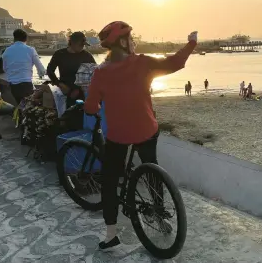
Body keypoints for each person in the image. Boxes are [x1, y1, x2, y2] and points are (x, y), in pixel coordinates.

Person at [84, 21, 198, 250]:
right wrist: (191, 43)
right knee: (151, 167)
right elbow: (174, 63)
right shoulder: (143, 63)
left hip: (118, 135)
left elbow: (90, 106)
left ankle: (111, 234)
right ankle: (159, 212)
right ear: (124, 42)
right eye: (131, 39)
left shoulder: (100, 72)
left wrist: (93, 108)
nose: (134, 42)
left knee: (109, 181)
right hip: (147, 129)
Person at [47, 32, 96, 108]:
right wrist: (59, 83)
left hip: (81, 90)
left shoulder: (87, 55)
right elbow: (50, 70)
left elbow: (94, 74)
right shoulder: (59, 54)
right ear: (72, 43)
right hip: (64, 87)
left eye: (84, 45)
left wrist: (78, 89)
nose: (82, 47)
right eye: (81, 45)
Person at [2, 29, 46, 105]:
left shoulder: (7, 51)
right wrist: (42, 74)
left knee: (21, 106)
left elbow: (5, 68)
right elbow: (41, 69)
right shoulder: (30, 50)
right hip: (26, 85)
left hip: (13, 86)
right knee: (29, 108)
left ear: (14, 38)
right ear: (26, 39)